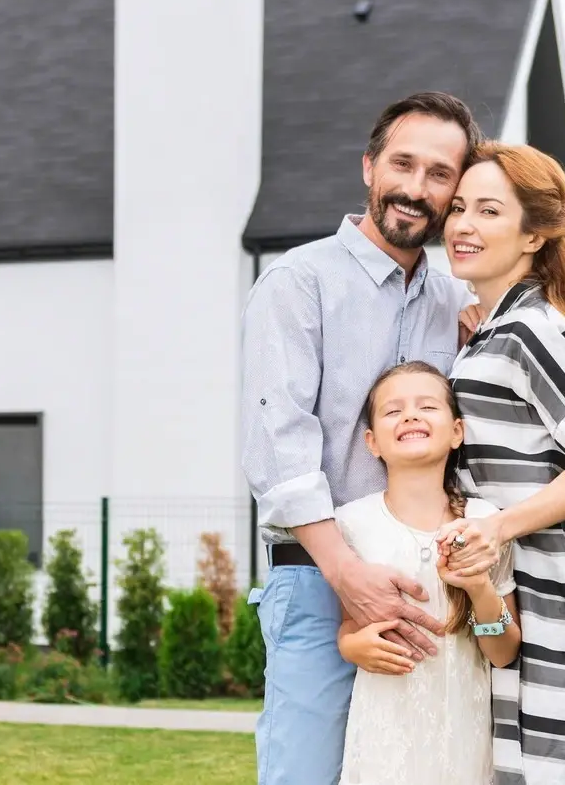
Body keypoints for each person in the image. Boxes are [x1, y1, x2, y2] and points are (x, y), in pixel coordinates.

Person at [240, 91, 484, 785]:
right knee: (306, 776)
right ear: (369, 168)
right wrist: (349, 576)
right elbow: (277, 442)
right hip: (320, 575)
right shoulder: (298, 281)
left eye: (440, 174)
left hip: (425, 582)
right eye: (402, 164)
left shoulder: (453, 305)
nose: (416, 187)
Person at [434, 142, 565, 784]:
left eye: (489, 211)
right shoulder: (499, 329)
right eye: (459, 207)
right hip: (513, 592)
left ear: (535, 234)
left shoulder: (530, 331)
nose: (463, 224)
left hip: (550, 594)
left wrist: (497, 528)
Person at [334, 361, 521, 785]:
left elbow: (503, 653)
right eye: (393, 410)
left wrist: (477, 586)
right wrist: (351, 647)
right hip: (383, 744)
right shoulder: (350, 524)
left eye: (427, 406)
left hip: (462, 745)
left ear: (457, 432)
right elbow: (347, 627)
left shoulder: (485, 523)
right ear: (372, 441)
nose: (411, 416)